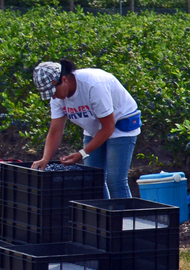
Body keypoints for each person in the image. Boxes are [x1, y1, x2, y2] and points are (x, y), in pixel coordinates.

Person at [32, 60, 143, 199]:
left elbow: (108, 127)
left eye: (53, 92)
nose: (53, 96)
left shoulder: (93, 85)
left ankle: (122, 219)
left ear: (64, 79)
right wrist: (45, 159)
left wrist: (82, 153)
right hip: (96, 125)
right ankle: (102, 218)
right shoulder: (57, 98)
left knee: (115, 181)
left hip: (121, 123)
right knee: (93, 180)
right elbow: (55, 130)